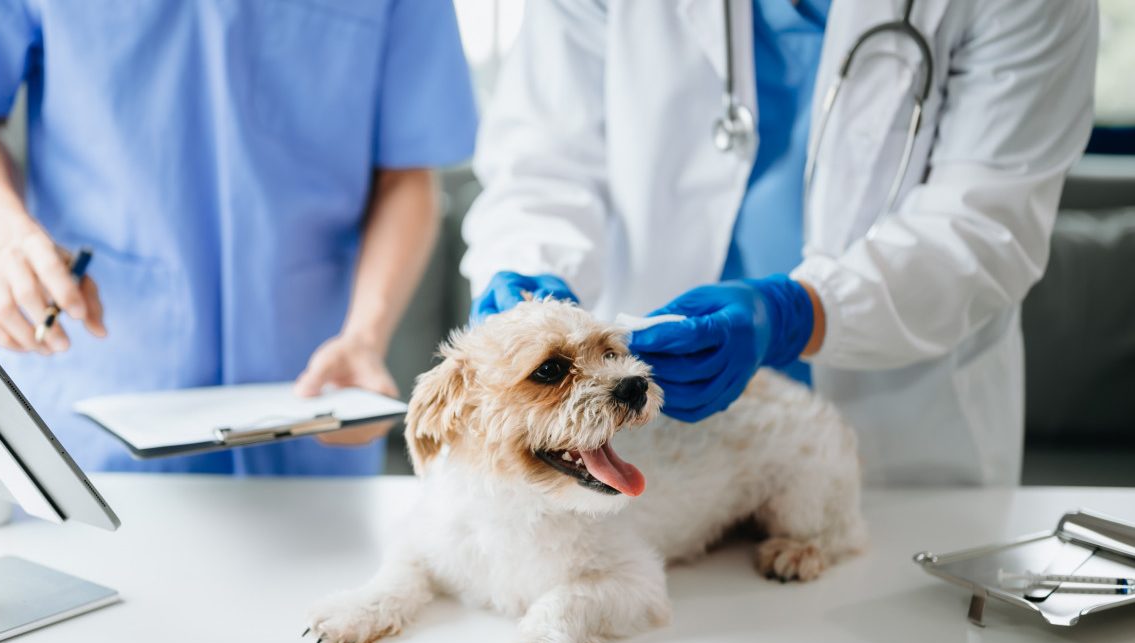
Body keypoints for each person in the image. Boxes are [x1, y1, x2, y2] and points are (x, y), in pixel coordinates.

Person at [461, 0, 1098, 486]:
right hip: (652, 445)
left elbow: (985, 220)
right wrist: (528, 269)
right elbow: (542, 162)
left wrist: (800, 313)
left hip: (902, 439)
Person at [0, 0, 477, 475]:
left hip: (312, 401)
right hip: (87, 397)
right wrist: (9, 239)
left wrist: (366, 335)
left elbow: (407, 174)